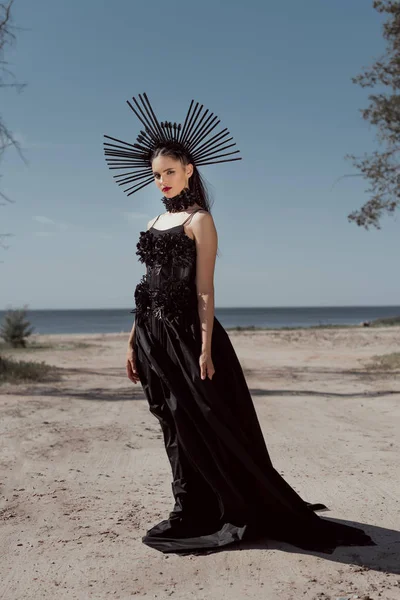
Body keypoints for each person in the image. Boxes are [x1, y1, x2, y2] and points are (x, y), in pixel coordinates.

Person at [104, 93, 376, 555]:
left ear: (189, 169)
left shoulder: (201, 220)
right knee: (172, 422)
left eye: (169, 171)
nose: (162, 181)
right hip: (152, 336)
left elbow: (205, 289)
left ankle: (237, 504)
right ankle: (191, 505)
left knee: (209, 422)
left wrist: (207, 347)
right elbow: (144, 287)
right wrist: (132, 342)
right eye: (156, 175)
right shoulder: (152, 220)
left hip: (189, 336)